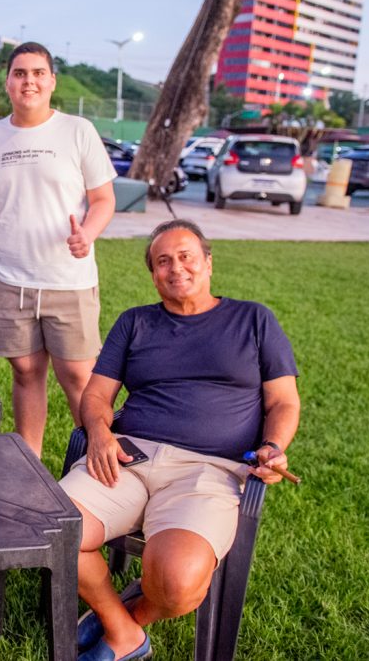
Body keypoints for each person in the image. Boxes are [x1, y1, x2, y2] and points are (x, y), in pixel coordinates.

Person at [60, 219, 301, 661]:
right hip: (127, 457)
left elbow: (283, 401)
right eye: (163, 261)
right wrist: (99, 433)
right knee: (54, 531)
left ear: (208, 262)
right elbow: (95, 395)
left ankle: (128, 614)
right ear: (153, 274)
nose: (176, 268)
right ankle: (122, 631)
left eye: (186, 256)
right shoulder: (135, 322)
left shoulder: (253, 320)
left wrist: (273, 447)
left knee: (177, 584)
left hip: (210, 469)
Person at [0, 42, 117, 457]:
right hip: (6, 277)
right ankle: (30, 466)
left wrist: (87, 234)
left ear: (52, 81)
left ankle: (95, 464)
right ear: (7, 82)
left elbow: (103, 199)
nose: (29, 81)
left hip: (67, 279)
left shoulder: (78, 130)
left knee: (78, 376)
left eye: (38, 73)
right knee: (25, 371)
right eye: (20, 73)